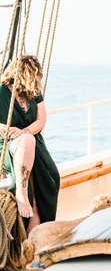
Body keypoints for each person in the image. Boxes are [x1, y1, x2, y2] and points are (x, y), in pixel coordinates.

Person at [0, 55, 60, 230]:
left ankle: (35, 244)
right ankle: (21, 194)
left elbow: (41, 121)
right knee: (26, 141)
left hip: (33, 145)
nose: (37, 80)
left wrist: (24, 131)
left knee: (50, 181)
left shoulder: (34, 93)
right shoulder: (2, 92)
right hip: (7, 145)